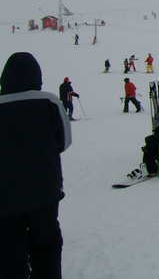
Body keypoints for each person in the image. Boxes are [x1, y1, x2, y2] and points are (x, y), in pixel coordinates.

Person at [0, 52, 72, 278]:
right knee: (46, 242)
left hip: (4, 194)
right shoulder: (48, 101)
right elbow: (64, 142)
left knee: (8, 248)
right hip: (44, 189)